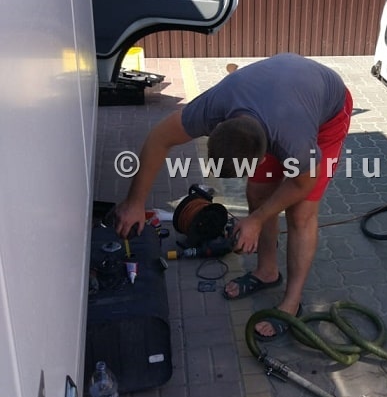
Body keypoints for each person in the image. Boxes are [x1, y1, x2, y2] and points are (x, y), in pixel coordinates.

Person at [113, 53, 353, 340]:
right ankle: (267, 272)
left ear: (263, 156)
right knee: (258, 191)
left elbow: (302, 184)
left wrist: (256, 220)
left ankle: (292, 303)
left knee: (300, 213)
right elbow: (159, 139)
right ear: (216, 128)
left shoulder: (295, 141)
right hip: (277, 96)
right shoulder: (214, 106)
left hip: (327, 111)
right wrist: (135, 202)